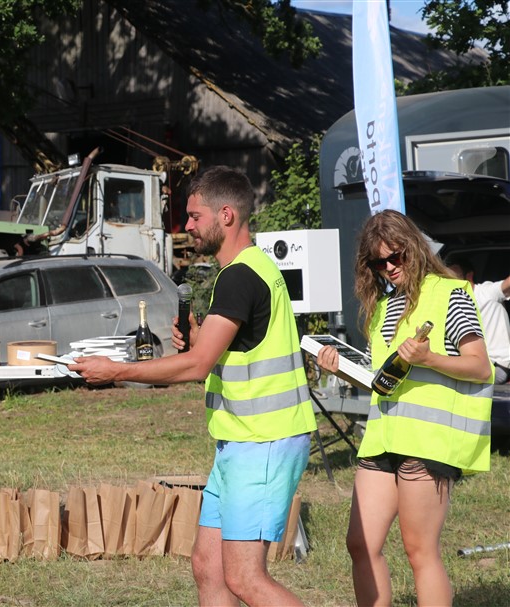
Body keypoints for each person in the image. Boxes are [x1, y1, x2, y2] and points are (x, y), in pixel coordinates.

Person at [70, 166, 316, 606]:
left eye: (195, 216)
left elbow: (197, 365)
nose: (187, 226)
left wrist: (116, 371)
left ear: (226, 215)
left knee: (245, 577)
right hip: (241, 440)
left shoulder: (240, 276)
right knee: (208, 566)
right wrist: (200, 337)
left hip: (264, 442)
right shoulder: (248, 269)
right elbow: (226, 351)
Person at [315, 210, 493, 607]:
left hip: (429, 441)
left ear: (414, 248)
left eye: (397, 257)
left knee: (419, 550)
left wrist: (429, 358)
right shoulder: (383, 307)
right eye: (379, 262)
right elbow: (384, 381)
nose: (390, 268)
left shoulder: (450, 294)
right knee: (360, 543)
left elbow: (481, 366)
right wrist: (342, 371)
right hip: (384, 437)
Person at [445, 255, 510, 384]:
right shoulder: (451, 300)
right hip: (472, 362)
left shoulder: (485, 292)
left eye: (454, 275)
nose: (450, 279)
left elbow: (506, 285)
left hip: (497, 364)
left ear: (469, 276)